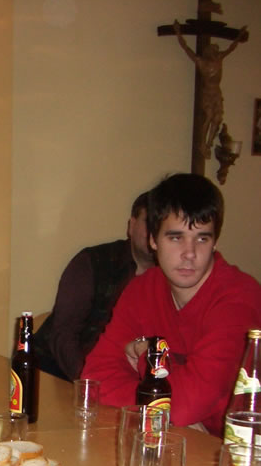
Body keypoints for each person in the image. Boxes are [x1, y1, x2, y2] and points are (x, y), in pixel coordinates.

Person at [82, 173, 261, 437]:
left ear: (215, 242)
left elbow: (187, 405)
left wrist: (144, 357)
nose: (189, 254)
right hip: (181, 440)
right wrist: (165, 412)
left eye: (202, 238)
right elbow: (95, 380)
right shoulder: (142, 289)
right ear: (153, 240)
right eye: (176, 238)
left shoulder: (239, 299)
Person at [35, 192, 154, 381]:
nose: (154, 232)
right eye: (149, 222)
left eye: (161, 225)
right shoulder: (93, 262)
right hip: (58, 373)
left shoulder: (172, 280)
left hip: (124, 378)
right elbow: (64, 334)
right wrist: (90, 383)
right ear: (131, 225)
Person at [172, 20, 248, 159]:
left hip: (216, 93)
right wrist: (178, 32)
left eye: (216, 51)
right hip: (207, 93)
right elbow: (186, 48)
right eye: (214, 50)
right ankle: (202, 144)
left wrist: (239, 36)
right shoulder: (200, 62)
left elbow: (231, 48)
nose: (216, 52)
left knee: (217, 118)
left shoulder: (219, 59)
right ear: (208, 51)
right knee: (208, 116)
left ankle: (209, 143)